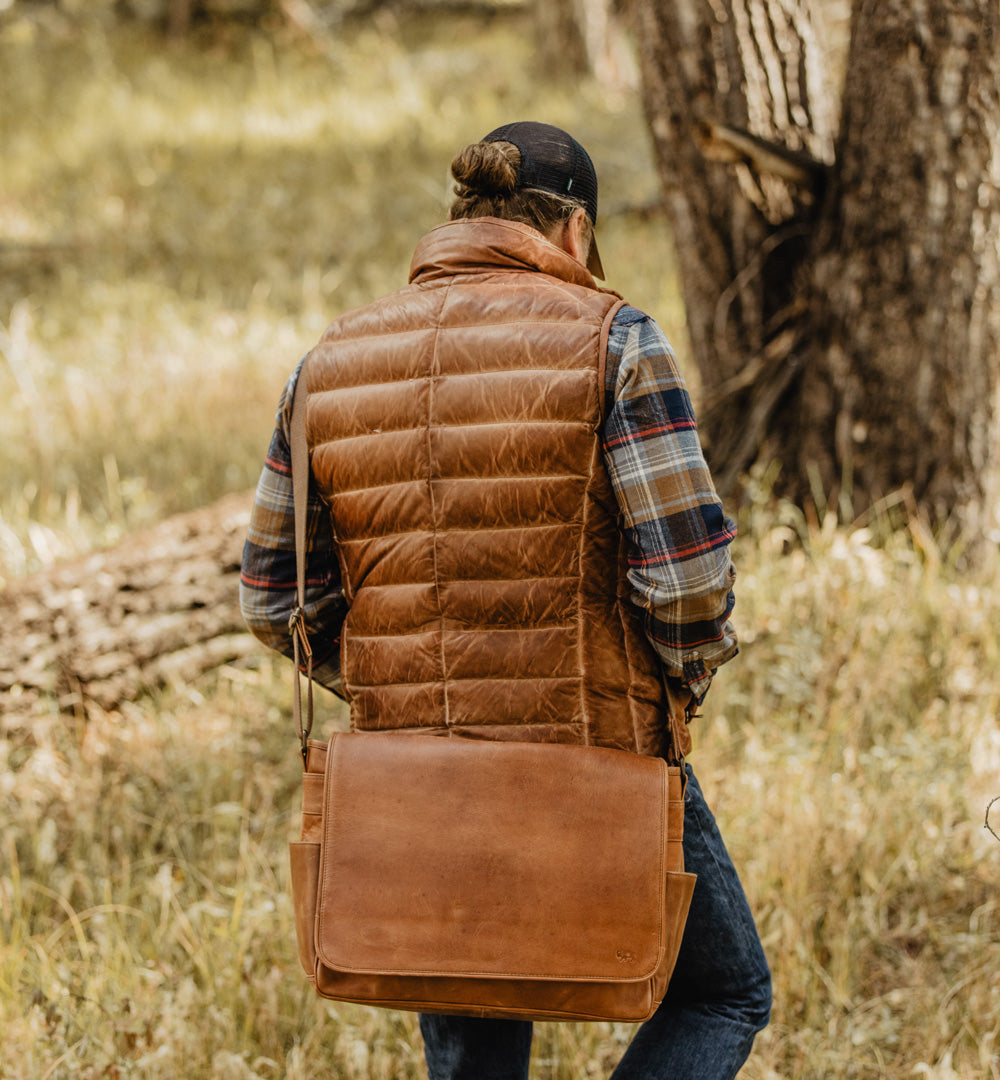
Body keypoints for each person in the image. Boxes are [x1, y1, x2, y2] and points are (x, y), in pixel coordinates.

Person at [240, 121, 771, 1080]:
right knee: (723, 992)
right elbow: (688, 583)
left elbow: (276, 598)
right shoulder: (615, 339)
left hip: (413, 784)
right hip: (596, 748)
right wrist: (672, 687)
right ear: (574, 232)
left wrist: (393, 680)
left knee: (473, 1029)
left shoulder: (329, 360)